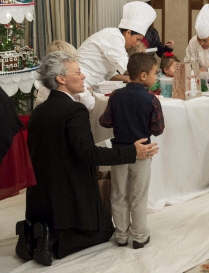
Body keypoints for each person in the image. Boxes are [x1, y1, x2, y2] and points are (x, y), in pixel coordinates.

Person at [17, 52, 158, 266]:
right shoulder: (74, 110)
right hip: (68, 196)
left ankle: (33, 232)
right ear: (61, 79)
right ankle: (52, 240)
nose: (83, 76)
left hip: (40, 196)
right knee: (104, 230)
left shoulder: (39, 111)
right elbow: (89, 155)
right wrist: (132, 152)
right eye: (78, 72)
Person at [99, 52, 165, 249]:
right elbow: (158, 129)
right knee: (139, 194)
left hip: (119, 152)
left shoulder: (116, 95)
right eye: (155, 73)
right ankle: (139, 236)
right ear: (143, 76)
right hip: (143, 153)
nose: (156, 77)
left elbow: (105, 121)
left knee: (118, 194)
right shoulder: (152, 100)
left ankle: (120, 235)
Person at [76, 1, 156, 86]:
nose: (137, 44)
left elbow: (110, 74)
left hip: (93, 83)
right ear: (128, 33)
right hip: (82, 80)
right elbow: (129, 67)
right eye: (137, 39)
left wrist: (129, 79)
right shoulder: (113, 37)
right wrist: (148, 77)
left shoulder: (117, 39)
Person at [34, 40, 95, 110]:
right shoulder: (75, 86)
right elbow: (90, 104)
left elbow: (39, 104)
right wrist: (86, 91)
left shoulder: (44, 86)